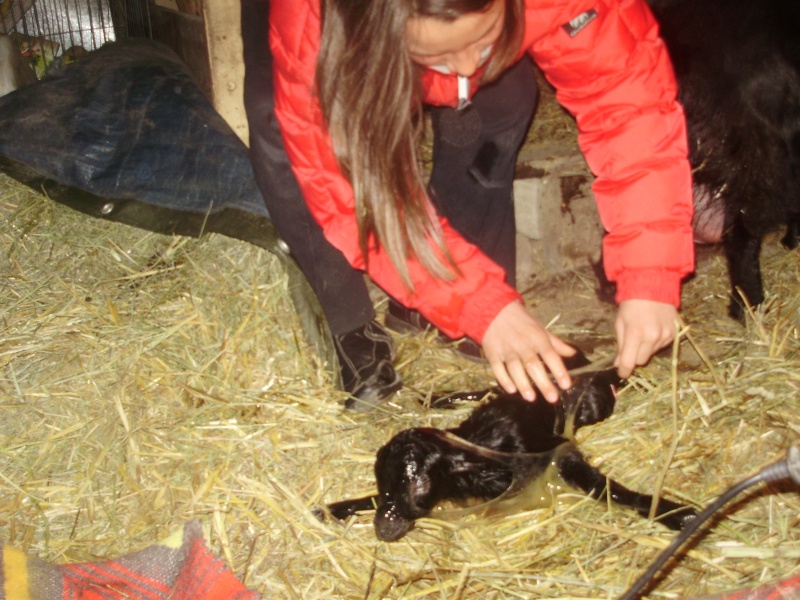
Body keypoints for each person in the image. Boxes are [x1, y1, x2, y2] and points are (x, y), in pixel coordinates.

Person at [241, 0, 694, 410]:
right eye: (438, 58)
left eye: (479, 42)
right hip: (329, 34)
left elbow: (626, 100)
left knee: (503, 97)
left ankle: (433, 299)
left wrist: (650, 270)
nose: (460, 71)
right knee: (283, 135)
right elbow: (345, 188)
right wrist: (478, 303)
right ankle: (350, 323)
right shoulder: (317, 22)